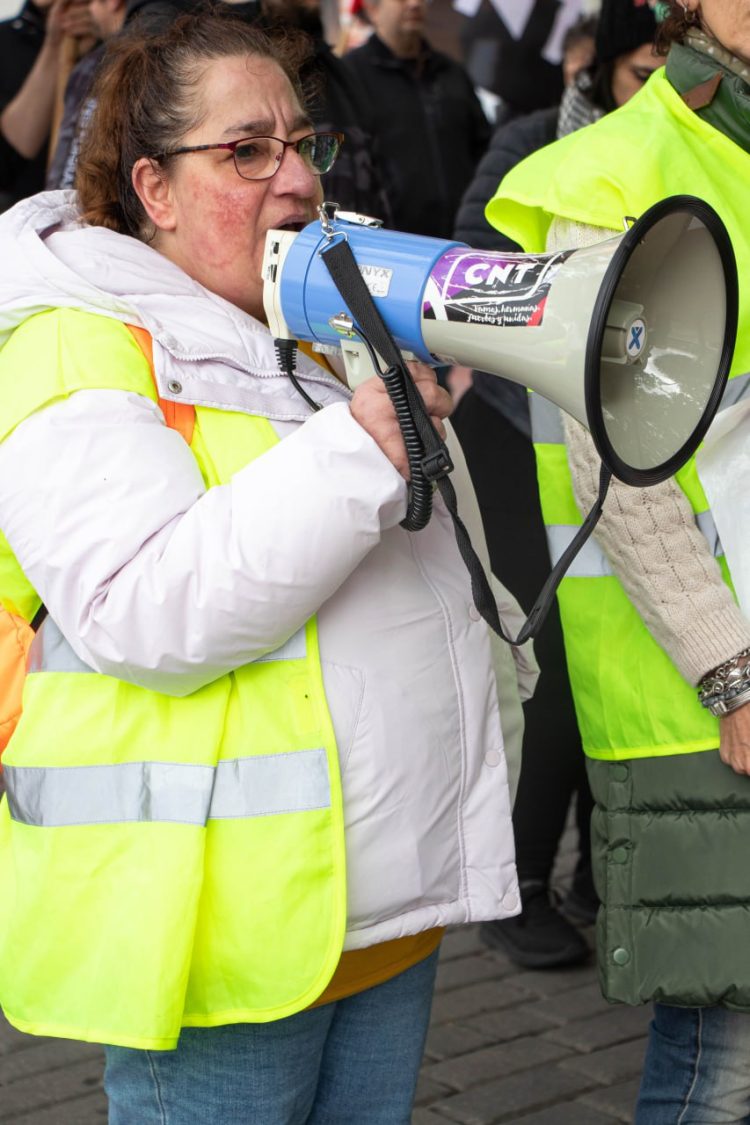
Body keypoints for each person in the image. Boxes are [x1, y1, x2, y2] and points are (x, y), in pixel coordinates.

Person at [0, 11, 532, 1122]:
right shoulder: (76, 338)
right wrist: (369, 439)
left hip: (382, 915)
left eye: (303, 144)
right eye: (247, 151)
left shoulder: (306, 321)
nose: (296, 178)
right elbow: (147, 608)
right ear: (153, 188)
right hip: (224, 942)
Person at [488, 0, 750, 1119]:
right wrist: (729, 670)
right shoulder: (614, 170)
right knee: (722, 1062)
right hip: (710, 702)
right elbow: (619, 469)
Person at [449, 0, 661, 970]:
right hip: (517, 432)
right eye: (637, 73)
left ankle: (594, 875)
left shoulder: (671, 155)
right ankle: (518, 883)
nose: (652, 94)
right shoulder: (534, 148)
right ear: (598, 69)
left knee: (617, 651)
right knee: (561, 669)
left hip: (621, 437)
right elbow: (480, 280)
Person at [341, 0, 490, 239]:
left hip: (464, 242)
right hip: (393, 247)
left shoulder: (451, 72)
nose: (414, 4)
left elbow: (484, 150)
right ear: (372, 9)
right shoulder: (350, 77)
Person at [0, 0, 94, 209]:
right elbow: (5, 164)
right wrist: (54, 47)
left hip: (100, 223)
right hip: (27, 225)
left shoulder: (127, 29)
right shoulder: (5, 40)